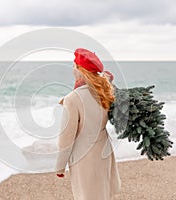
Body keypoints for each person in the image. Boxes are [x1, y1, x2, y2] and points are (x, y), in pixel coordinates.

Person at [55, 48, 121, 200]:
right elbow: (107, 80)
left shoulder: (72, 99)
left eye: (74, 66)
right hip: (104, 148)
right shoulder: (105, 92)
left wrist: (60, 165)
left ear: (80, 70)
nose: (72, 70)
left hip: (83, 154)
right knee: (103, 192)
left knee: (86, 194)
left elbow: (66, 136)